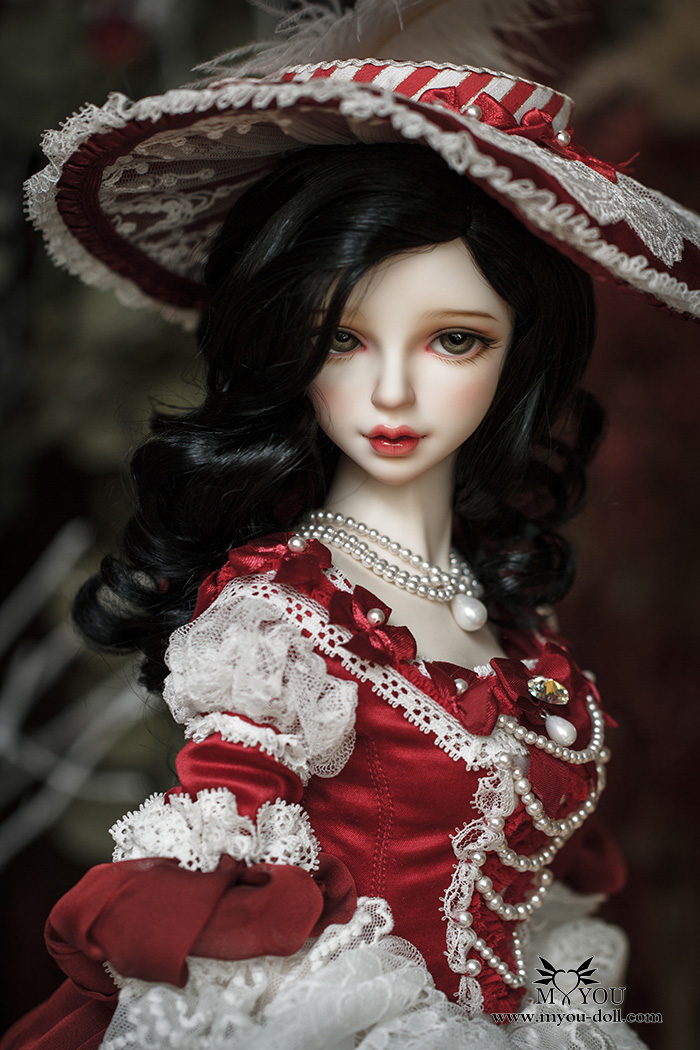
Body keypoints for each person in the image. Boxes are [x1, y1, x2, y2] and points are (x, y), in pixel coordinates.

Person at [6, 34, 700, 1050]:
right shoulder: (279, 617)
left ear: (521, 356)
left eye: (454, 339)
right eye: (343, 338)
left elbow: (543, 903)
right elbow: (225, 923)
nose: (392, 392)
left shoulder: (512, 613)